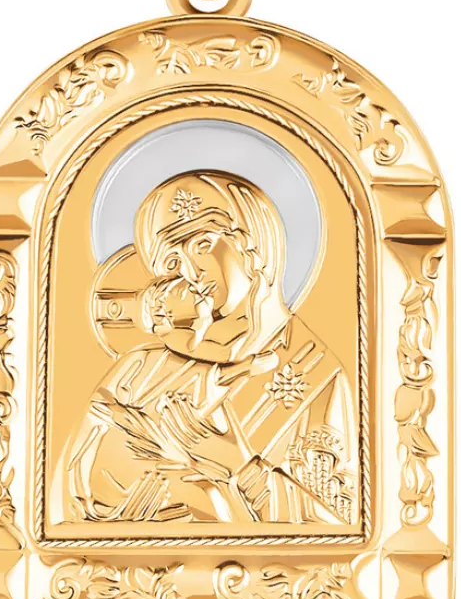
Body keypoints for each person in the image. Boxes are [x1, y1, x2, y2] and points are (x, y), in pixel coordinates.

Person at [64, 171, 356, 524]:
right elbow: (72, 500)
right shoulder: (140, 371)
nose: (191, 271)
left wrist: (241, 468)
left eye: (202, 245)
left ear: (253, 243)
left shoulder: (315, 373)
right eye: (172, 263)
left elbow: (340, 525)